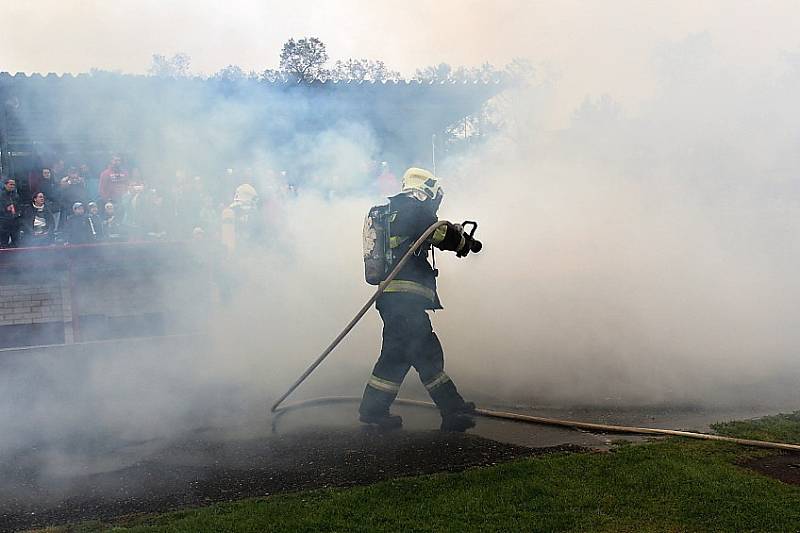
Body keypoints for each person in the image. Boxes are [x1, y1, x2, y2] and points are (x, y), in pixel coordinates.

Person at [358, 168, 481, 432]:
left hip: (392, 298)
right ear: (426, 189)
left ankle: (373, 411)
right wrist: (463, 243)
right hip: (406, 298)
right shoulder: (413, 208)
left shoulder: (392, 210)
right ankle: (451, 409)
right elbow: (440, 234)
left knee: (395, 356)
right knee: (426, 352)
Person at [0, 178, 21, 248]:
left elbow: (19, 207)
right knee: (4, 243)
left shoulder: (16, 195)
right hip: (4, 222)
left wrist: (18, 214)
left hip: (15, 222)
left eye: (14, 185)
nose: (12, 186)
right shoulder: (1, 195)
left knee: (16, 242)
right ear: (5, 185)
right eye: (10, 184)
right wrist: (6, 209)